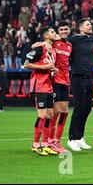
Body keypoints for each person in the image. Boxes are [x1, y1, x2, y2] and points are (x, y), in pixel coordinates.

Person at [32, 22, 72, 153]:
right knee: (53, 113)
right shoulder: (52, 43)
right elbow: (35, 46)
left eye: (66, 29)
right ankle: (47, 141)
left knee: (64, 112)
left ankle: (56, 141)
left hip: (65, 80)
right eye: (60, 30)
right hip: (53, 81)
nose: (63, 31)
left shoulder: (69, 45)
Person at [23, 26, 59, 156]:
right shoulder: (39, 49)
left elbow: (50, 67)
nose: (55, 33)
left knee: (49, 116)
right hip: (39, 86)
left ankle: (45, 144)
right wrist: (44, 67)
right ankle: (35, 144)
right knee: (42, 116)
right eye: (52, 32)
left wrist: (53, 70)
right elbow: (26, 64)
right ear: (45, 36)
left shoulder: (53, 51)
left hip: (49, 87)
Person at [67, 18, 93, 152]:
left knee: (87, 108)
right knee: (79, 107)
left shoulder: (92, 40)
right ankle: (71, 138)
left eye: (91, 24)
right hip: (77, 77)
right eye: (87, 24)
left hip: (89, 77)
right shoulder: (74, 40)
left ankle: (80, 137)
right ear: (81, 28)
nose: (91, 26)